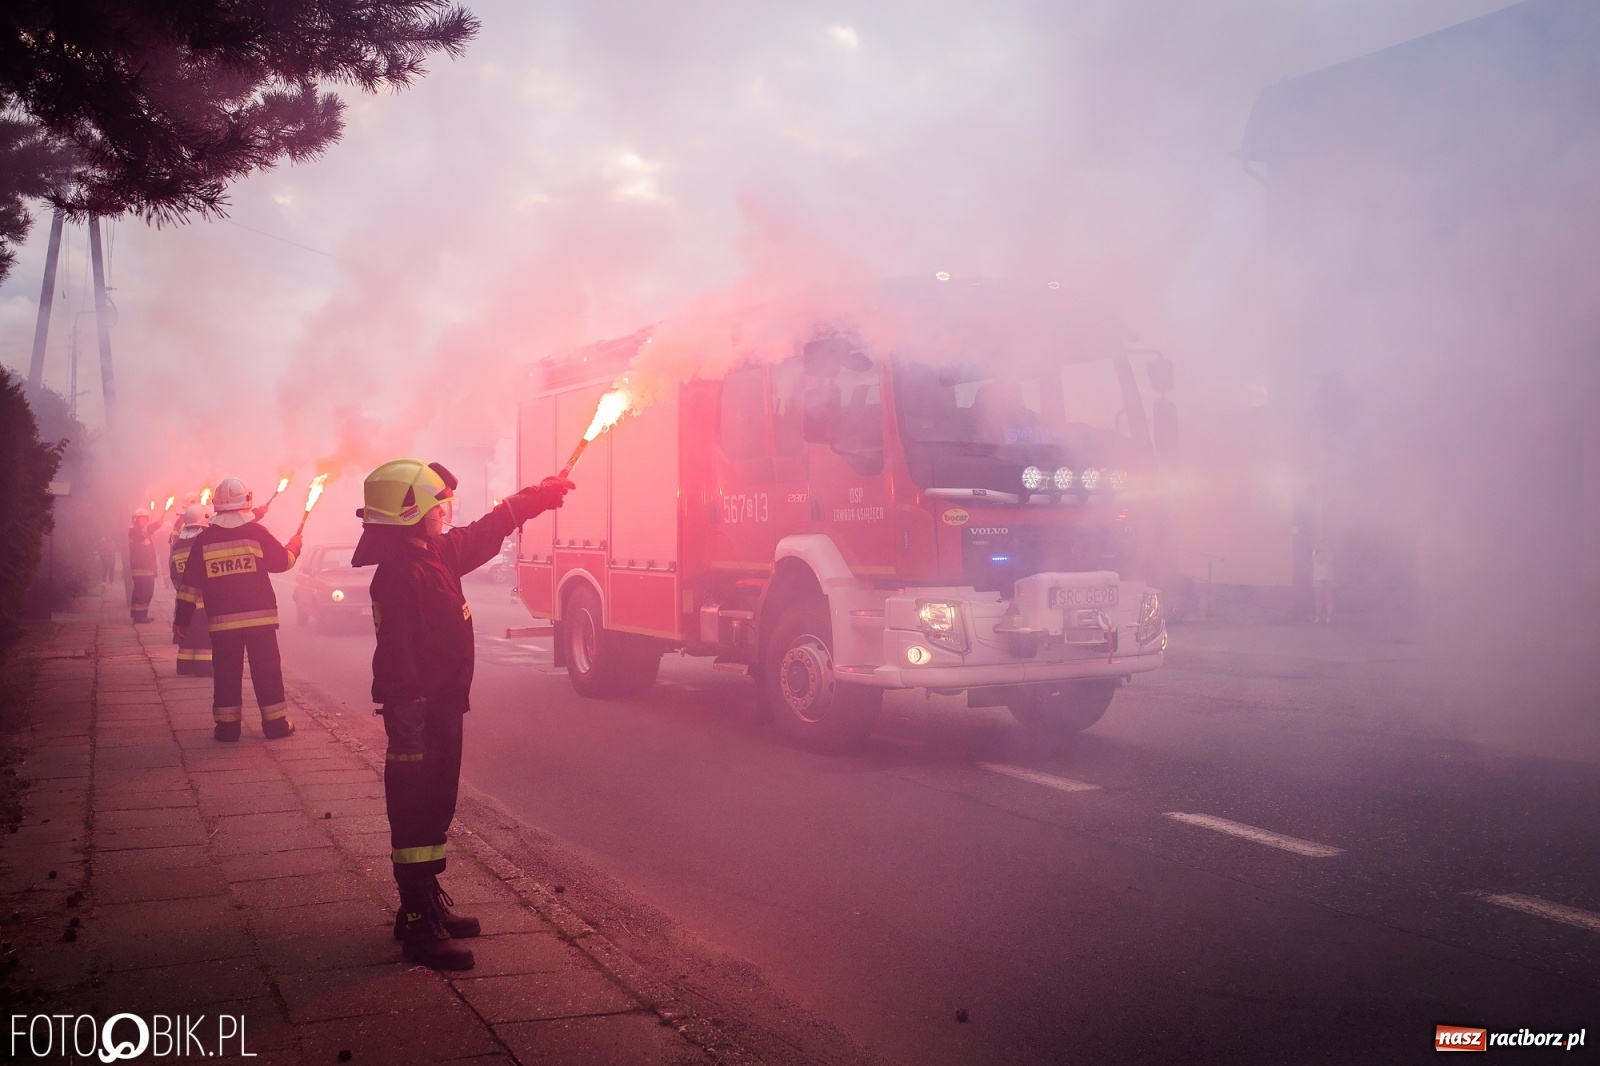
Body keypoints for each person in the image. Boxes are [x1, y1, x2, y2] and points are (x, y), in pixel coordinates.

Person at [352, 459, 571, 970]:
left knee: (435, 807)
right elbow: (401, 657)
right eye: (436, 506)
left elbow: (485, 529)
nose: (445, 513)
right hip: (420, 710)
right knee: (416, 810)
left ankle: (422, 905)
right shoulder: (404, 575)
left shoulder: (431, 554)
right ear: (410, 515)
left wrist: (535, 497)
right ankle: (419, 926)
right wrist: (408, 721)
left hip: (441, 704)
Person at [173, 477, 303, 741]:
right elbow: (283, 562)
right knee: (266, 671)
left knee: (226, 674)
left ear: (217, 505)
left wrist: (182, 619)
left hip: (223, 624)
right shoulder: (257, 533)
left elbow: (190, 584)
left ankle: (227, 728)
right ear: (247, 501)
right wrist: (294, 546)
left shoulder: (204, 539)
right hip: (260, 622)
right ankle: (275, 725)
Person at [169, 504, 215, 676]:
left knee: (187, 637)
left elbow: (174, 573)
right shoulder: (203, 543)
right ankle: (204, 669)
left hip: (184, 601)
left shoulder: (178, 545)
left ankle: (184, 666)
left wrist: (181, 594)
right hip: (203, 603)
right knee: (204, 637)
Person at [126, 508, 166, 622]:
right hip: (140, 568)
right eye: (141, 519)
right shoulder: (134, 531)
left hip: (148, 568)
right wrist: (157, 524)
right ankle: (137, 616)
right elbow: (146, 531)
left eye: (145, 519)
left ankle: (143, 614)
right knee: (140, 592)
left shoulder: (143, 532)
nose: (144, 521)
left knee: (148, 592)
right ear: (135, 520)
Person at [1311, 546, 1335, 624]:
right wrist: (1324, 554)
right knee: (1319, 598)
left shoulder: (1330, 553)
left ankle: (1329, 617)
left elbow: (1331, 561)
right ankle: (1318, 617)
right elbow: (1319, 560)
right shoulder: (1315, 552)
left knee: (1329, 597)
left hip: (1329, 578)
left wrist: (1327, 553)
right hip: (1318, 578)